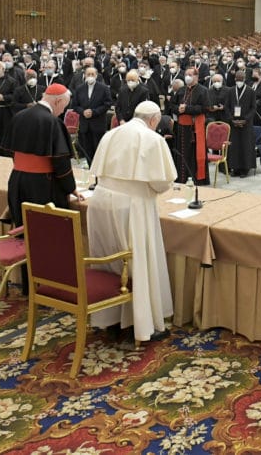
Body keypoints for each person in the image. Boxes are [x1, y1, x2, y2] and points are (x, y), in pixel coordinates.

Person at [87, 100, 178, 341]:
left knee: (108, 259)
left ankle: (110, 318)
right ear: (154, 120)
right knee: (136, 261)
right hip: (132, 207)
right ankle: (140, 323)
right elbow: (162, 183)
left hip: (100, 203)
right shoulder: (152, 139)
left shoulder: (111, 133)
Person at [4, 83, 79, 223]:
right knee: (43, 230)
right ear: (58, 101)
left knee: (23, 228)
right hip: (42, 185)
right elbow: (61, 162)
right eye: (64, 106)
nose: (63, 111)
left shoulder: (19, 116)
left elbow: (12, 152)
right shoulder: (53, 122)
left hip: (17, 180)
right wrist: (71, 188)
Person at [172, 69, 209, 183]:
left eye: (190, 75)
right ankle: (181, 178)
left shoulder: (203, 90)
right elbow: (172, 105)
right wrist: (178, 109)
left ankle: (196, 178)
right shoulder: (181, 90)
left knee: (193, 153)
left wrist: (187, 109)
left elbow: (204, 108)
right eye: (186, 75)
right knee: (182, 152)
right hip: (181, 127)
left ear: (196, 77)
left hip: (194, 128)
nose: (187, 77)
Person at [72, 66, 113, 166]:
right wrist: (83, 112)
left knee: (99, 149)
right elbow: (75, 105)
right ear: (85, 75)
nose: (90, 76)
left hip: (98, 123)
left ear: (96, 75)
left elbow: (107, 104)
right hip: (85, 125)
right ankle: (91, 168)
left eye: (92, 74)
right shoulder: (79, 88)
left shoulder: (103, 88)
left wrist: (94, 112)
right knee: (87, 149)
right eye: (88, 74)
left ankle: (99, 169)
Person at [227, 69, 257, 176]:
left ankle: (245, 168)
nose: (238, 81)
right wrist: (232, 120)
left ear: (244, 79)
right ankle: (235, 168)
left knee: (245, 146)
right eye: (237, 79)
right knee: (234, 146)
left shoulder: (251, 91)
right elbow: (227, 107)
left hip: (246, 123)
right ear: (235, 79)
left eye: (241, 79)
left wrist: (245, 120)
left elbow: (253, 108)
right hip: (234, 123)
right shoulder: (230, 91)